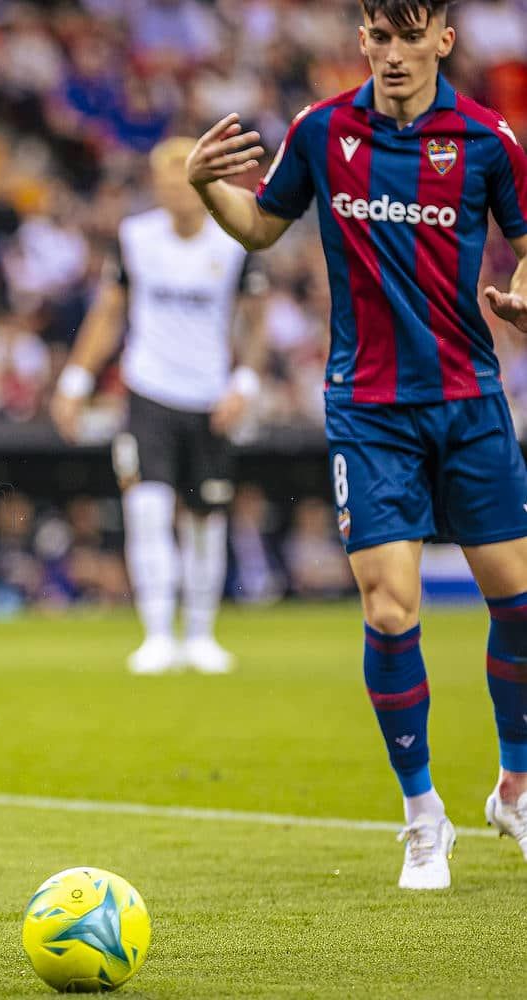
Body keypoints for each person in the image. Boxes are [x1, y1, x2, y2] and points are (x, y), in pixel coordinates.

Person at [186, 0, 527, 889]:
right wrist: (202, 185)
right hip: (368, 408)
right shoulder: (322, 130)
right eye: (379, 38)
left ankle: (515, 792)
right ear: (363, 41)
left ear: (443, 40)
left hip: (470, 401)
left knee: (521, 608)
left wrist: (523, 289)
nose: (393, 55)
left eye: (411, 38)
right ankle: (423, 819)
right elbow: (263, 225)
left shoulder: (489, 140)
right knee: (388, 608)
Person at [50, 136, 268, 676]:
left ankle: (200, 634)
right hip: (148, 393)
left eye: (185, 181)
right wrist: (75, 381)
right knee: (146, 513)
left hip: (210, 398)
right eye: (166, 182)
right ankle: (156, 634)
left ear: (204, 183)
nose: (176, 192)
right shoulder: (135, 238)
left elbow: (256, 320)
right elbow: (108, 313)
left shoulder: (234, 239)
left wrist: (245, 383)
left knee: (205, 521)